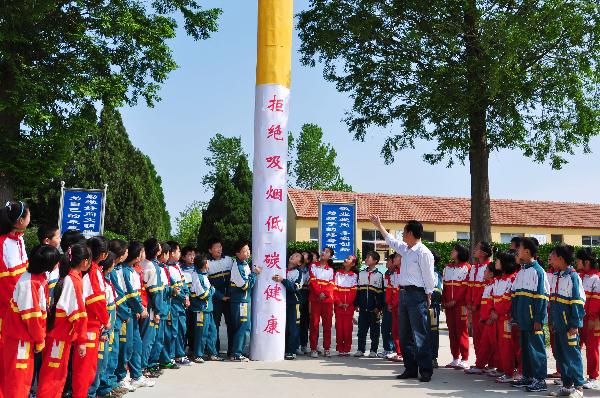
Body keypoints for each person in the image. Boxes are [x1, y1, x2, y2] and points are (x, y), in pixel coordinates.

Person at [369, 216, 435, 383]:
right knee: (404, 335)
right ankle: (410, 368)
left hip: (417, 294)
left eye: (404, 232)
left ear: (411, 233)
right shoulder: (405, 249)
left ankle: (425, 370)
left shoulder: (423, 252)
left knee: (419, 333)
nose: (402, 235)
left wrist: (428, 294)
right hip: (403, 294)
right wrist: (379, 225)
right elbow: (390, 240)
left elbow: (429, 276)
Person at [3, 245, 58, 398]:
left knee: (22, 379)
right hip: (20, 339)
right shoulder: (30, 284)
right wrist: (40, 340)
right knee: (18, 381)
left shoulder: (36, 278)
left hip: (23, 338)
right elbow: (32, 318)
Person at [37, 243, 90, 398]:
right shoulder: (74, 281)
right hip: (59, 337)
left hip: (58, 335)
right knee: (53, 376)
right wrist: (82, 341)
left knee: (54, 375)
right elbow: (79, 315)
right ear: (85, 262)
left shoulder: (67, 277)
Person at [72, 237, 111, 398]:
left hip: (90, 324)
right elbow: (97, 300)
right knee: (85, 368)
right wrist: (105, 319)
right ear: (103, 255)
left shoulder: (93, 270)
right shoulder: (93, 272)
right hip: (90, 325)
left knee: (87, 367)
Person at [510, 237, 550, 392]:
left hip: (534, 320)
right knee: (525, 349)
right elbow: (515, 296)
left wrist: (538, 319)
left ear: (527, 251)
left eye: (518, 249)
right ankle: (527, 376)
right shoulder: (522, 271)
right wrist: (515, 315)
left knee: (536, 349)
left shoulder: (538, 272)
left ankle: (540, 380)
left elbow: (542, 298)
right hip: (523, 320)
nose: (517, 252)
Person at [0, 200, 30, 392]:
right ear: (19, 221)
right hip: (8, 310)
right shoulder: (2, 243)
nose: (30, 218)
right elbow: (5, 282)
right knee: (7, 358)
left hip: (22, 306)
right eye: (28, 215)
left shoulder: (19, 239)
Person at [548, 245, 585, 398]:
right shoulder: (557, 275)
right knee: (561, 355)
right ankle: (567, 385)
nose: (550, 258)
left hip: (569, 326)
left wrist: (574, 324)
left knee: (573, 355)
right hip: (558, 325)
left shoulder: (573, 277)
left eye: (553, 255)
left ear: (561, 259)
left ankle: (579, 387)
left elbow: (577, 302)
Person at [121, 242, 154, 389]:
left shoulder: (132, 271)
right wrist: (140, 309)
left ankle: (136, 375)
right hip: (128, 314)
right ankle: (122, 377)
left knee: (136, 344)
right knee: (127, 346)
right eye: (142, 252)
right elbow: (131, 295)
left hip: (134, 313)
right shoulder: (126, 271)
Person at [89, 251, 117, 398]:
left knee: (105, 361)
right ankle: (92, 392)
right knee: (98, 363)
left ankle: (99, 389)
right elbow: (101, 307)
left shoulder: (106, 280)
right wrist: (105, 329)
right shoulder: (98, 279)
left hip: (108, 327)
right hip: (102, 329)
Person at [229, 240, 261, 362]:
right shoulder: (237, 266)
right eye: (245, 250)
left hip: (244, 301)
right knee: (243, 327)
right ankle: (236, 354)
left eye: (248, 250)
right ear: (237, 253)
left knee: (244, 327)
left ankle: (237, 352)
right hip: (240, 302)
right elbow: (245, 285)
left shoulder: (244, 263)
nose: (248, 253)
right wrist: (254, 274)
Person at [467, 263, 501, 375]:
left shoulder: (494, 285)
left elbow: (492, 304)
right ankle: (483, 365)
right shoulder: (487, 284)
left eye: (486, 270)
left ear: (491, 273)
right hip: (485, 320)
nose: (484, 272)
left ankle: (492, 366)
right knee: (485, 343)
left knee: (492, 344)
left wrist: (489, 317)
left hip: (490, 320)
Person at [442, 243, 471, 370]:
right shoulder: (447, 268)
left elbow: (465, 288)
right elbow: (444, 286)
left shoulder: (467, 268)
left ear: (460, 252)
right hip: (449, 306)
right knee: (452, 331)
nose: (451, 252)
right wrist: (444, 301)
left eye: (454, 250)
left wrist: (455, 301)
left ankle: (465, 359)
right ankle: (455, 358)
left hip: (461, 306)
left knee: (462, 331)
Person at [492, 250, 519, 384]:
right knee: (501, 345)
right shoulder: (498, 279)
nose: (496, 262)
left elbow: (507, 300)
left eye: (498, 260)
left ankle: (510, 373)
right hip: (499, 317)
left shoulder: (512, 279)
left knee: (508, 346)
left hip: (506, 318)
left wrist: (497, 312)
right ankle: (504, 369)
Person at [189, 254, 221, 363]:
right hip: (201, 309)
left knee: (212, 331)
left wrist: (211, 290)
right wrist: (212, 290)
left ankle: (212, 353)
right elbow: (203, 294)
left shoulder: (204, 275)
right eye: (207, 262)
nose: (208, 264)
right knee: (201, 332)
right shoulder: (197, 277)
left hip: (208, 309)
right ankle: (198, 354)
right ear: (203, 264)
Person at [576, 248, 600, 390]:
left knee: (592, 349)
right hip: (579, 319)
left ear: (586, 262)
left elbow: (596, 301)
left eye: (578, 260)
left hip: (592, 320)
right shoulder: (579, 276)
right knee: (575, 348)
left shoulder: (596, 278)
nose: (576, 262)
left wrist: (591, 317)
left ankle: (593, 377)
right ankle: (576, 375)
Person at [141, 238, 165, 375]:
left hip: (146, 305)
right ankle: (144, 368)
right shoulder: (152, 266)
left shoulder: (144, 264)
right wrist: (157, 310)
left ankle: (144, 367)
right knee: (148, 339)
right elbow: (155, 291)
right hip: (151, 307)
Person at [273, 252, 303, 360]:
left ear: (299, 263)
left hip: (294, 304)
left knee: (293, 327)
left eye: (296, 256)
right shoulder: (282, 268)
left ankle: (291, 350)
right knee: (282, 326)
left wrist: (282, 280)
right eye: (293, 254)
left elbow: (295, 287)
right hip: (281, 302)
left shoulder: (298, 273)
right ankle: (282, 349)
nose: (293, 256)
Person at [467, 241, 493, 367]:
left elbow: (484, 288)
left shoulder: (489, 268)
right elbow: (469, 287)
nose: (474, 250)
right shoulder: (473, 268)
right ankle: (480, 362)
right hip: (473, 307)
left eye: (477, 248)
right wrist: (469, 303)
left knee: (485, 337)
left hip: (482, 307)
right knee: (476, 336)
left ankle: (488, 363)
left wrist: (475, 304)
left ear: (483, 253)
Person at [207, 238, 234, 357]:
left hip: (230, 298)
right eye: (216, 247)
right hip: (216, 299)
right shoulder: (208, 264)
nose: (219, 249)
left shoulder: (228, 260)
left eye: (220, 246)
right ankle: (215, 351)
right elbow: (207, 284)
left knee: (231, 323)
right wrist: (220, 296)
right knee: (215, 325)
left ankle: (232, 350)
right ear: (210, 250)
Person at [166, 241, 191, 366]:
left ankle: (180, 354)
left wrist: (186, 295)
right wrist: (183, 297)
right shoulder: (167, 268)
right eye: (178, 251)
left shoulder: (177, 266)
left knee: (182, 329)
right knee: (173, 330)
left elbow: (183, 283)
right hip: (174, 303)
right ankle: (171, 356)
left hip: (181, 303)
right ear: (171, 253)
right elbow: (173, 286)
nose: (180, 253)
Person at [354, 250, 384, 358]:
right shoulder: (361, 274)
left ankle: (373, 350)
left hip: (374, 309)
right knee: (361, 329)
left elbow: (381, 293)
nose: (366, 259)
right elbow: (358, 290)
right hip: (363, 307)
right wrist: (357, 304)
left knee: (374, 331)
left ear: (375, 261)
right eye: (366, 257)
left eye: (369, 257)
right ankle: (360, 349)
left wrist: (378, 307)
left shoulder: (379, 276)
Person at [308, 247, 335, 358]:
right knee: (314, 325)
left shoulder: (331, 270)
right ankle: (313, 348)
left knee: (327, 326)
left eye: (327, 252)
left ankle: (327, 348)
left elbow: (331, 284)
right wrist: (319, 293)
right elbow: (312, 281)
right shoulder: (313, 266)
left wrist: (324, 293)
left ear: (330, 257)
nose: (324, 253)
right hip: (315, 300)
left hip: (327, 301)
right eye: (323, 251)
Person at [333, 255, 358, 357]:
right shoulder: (337, 274)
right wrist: (339, 303)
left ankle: (347, 349)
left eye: (348, 259)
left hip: (349, 306)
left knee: (348, 328)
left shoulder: (354, 276)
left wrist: (349, 303)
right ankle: (340, 348)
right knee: (339, 328)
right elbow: (334, 289)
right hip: (339, 306)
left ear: (352, 264)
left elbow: (354, 292)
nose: (345, 259)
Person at [178, 246, 196, 355]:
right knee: (185, 325)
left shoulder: (197, 268)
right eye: (190, 255)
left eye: (193, 254)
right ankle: (183, 348)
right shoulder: (180, 268)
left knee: (193, 325)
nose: (192, 257)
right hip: (184, 300)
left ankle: (193, 349)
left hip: (195, 300)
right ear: (183, 257)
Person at [429, 250, 443, 369]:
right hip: (421, 306)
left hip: (432, 308)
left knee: (433, 333)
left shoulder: (435, 274)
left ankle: (433, 358)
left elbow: (437, 292)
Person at [381, 254, 396, 358]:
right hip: (386, 304)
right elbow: (385, 290)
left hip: (394, 305)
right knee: (385, 328)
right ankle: (387, 349)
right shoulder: (387, 273)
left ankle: (394, 350)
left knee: (393, 328)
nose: (386, 262)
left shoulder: (397, 273)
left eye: (388, 261)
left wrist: (391, 303)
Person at [298, 251, 312, 355]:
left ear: (308, 260)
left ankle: (303, 344)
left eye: (304, 255)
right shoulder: (294, 269)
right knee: (296, 321)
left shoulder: (309, 271)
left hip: (306, 296)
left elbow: (308, 284)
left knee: (304, 321)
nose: (301, 255)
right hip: (297, 294)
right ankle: (296, 345)